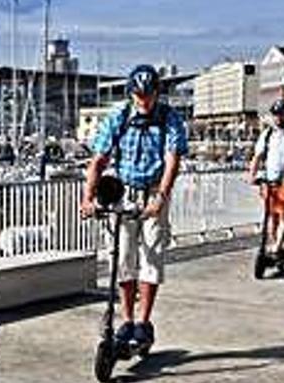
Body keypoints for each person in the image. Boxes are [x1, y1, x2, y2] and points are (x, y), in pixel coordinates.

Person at [80, 64, 188, 352]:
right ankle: (126, 318)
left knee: (151, 254)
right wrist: (88, 198)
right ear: (131, 94)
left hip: (153, 191)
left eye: (149, 95)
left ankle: (143, 321)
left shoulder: (169, 118)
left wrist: (161, 197)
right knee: (122, 255)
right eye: (139, 95)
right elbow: (99, 160)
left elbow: (172, 161)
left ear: (156, 94)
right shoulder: (120, 116)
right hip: (124, 191)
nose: (144, 101)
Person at [246, 99, 284, 263]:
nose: (278, 117)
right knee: (271, 217)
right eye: (276, 114)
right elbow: (257, 156)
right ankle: (275, 246)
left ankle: (277, 248)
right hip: (269, 180)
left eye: (282, 114)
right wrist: (252, 175)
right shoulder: (268, 134)